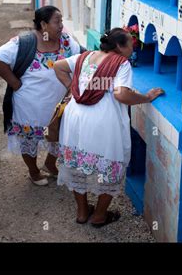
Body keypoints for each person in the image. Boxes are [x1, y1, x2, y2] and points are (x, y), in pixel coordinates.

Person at [53, 28, 164, 226]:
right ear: (119, 47)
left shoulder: (85, 56)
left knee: (77, 163)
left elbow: (58, 66)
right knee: (110, 164)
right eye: (130, 43)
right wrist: (146, 97)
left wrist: (74, 88)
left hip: (75, 115)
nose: (133, 46)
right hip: (102, 119)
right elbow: (121, 94)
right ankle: (99, 215)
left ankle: (82, 212)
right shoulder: (122, 63)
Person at [0, 6, 81, 186]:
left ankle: (49, 163)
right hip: (29, 107)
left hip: (58, 106)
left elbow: (79, 60)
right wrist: (15, 83)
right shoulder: (24, 43)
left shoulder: (66, 42)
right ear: (43, 24)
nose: (61, 26)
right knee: (30, 139)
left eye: (62, 21)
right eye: (57, 22)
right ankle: (33, 172)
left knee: (60, 135)